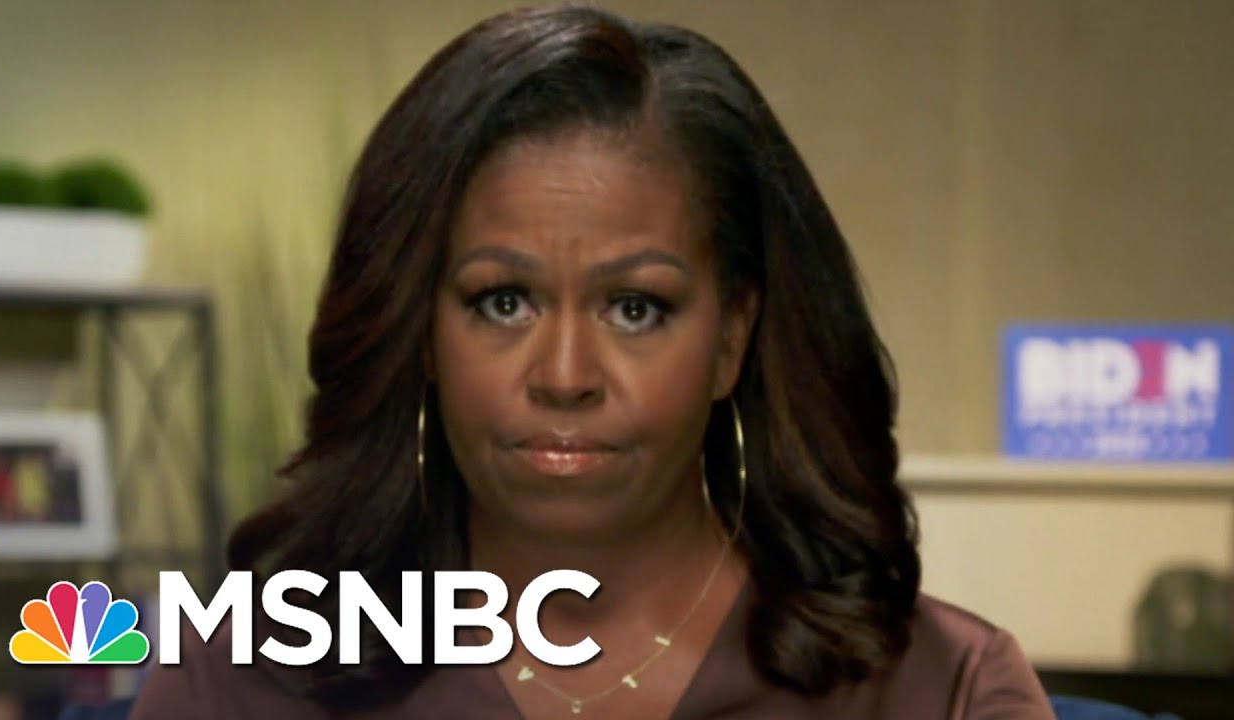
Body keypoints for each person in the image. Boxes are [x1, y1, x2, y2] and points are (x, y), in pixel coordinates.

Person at [131, 4, 1055, 719]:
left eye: (635, 308)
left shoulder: (943, 689)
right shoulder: (240, 680)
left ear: (732, 338)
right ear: (420, 333)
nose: (565, 374)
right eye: (503, 301)